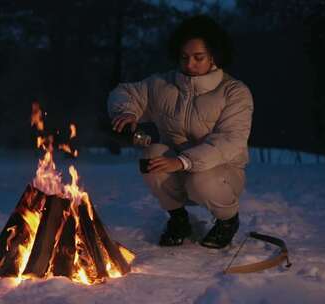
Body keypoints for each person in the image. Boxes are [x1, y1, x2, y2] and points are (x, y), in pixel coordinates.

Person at [107, 15, 253, 249]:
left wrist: (183, 162)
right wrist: (127, 112)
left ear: (213, 55)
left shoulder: (234, 92)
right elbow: (125, 92)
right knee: (151, 157)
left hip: (221, 173)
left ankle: (227, 220)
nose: (190, 64)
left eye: (198, 57)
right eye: (184, 57)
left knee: (200, 180)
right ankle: (178, 220)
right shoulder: (162, 85)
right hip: (176, 164)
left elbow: (230, 140)